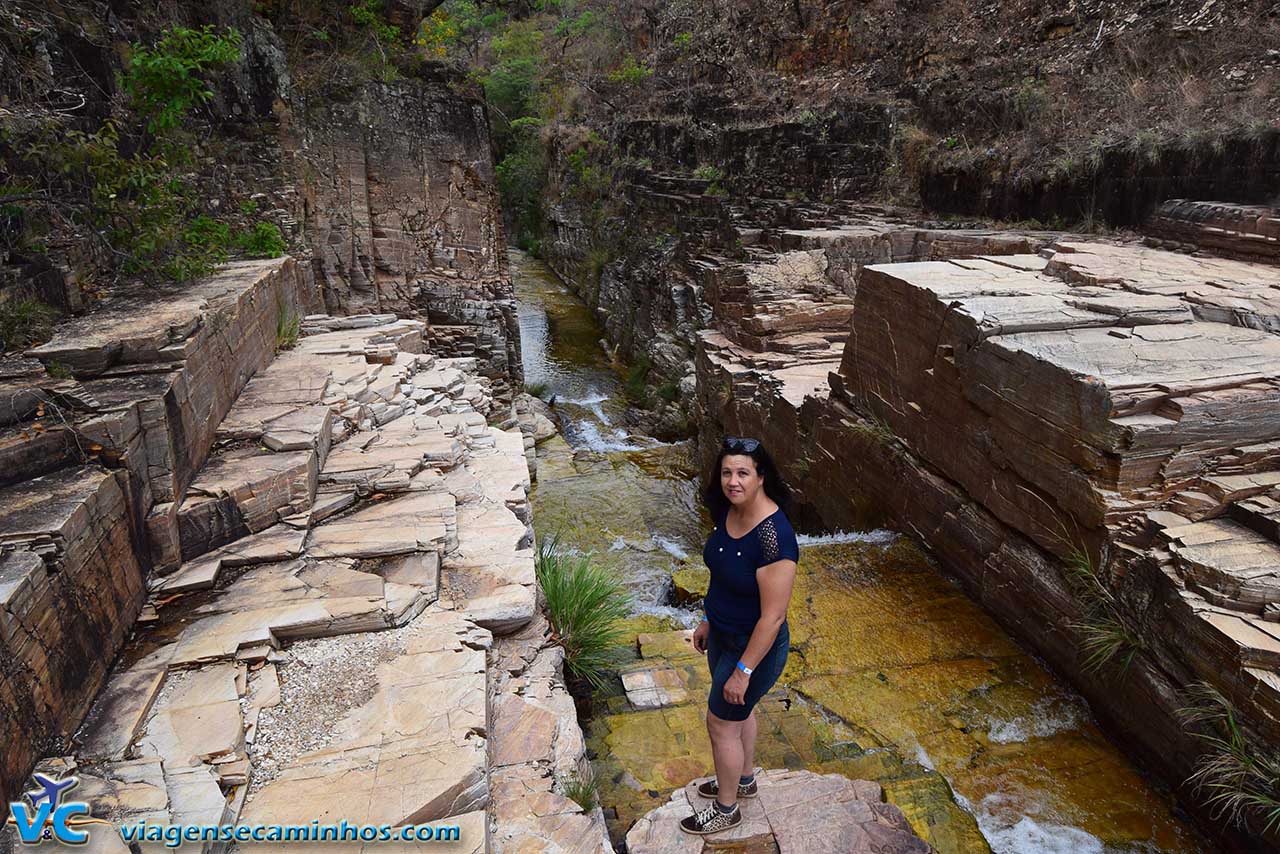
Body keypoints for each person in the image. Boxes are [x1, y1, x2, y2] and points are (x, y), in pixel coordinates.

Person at [679, 435, 799, 835]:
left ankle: (726, 809)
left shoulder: (773, 538)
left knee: (721, 723)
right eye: (727, 472)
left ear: (761, 477)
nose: (733, 481)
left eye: (743, 473)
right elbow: (725, 578)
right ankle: (742, 780)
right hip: (723, 636)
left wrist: (744, 671)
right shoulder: (728, 510)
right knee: (739, 715)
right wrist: (708, 621)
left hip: (755, 649)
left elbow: (774, 617)